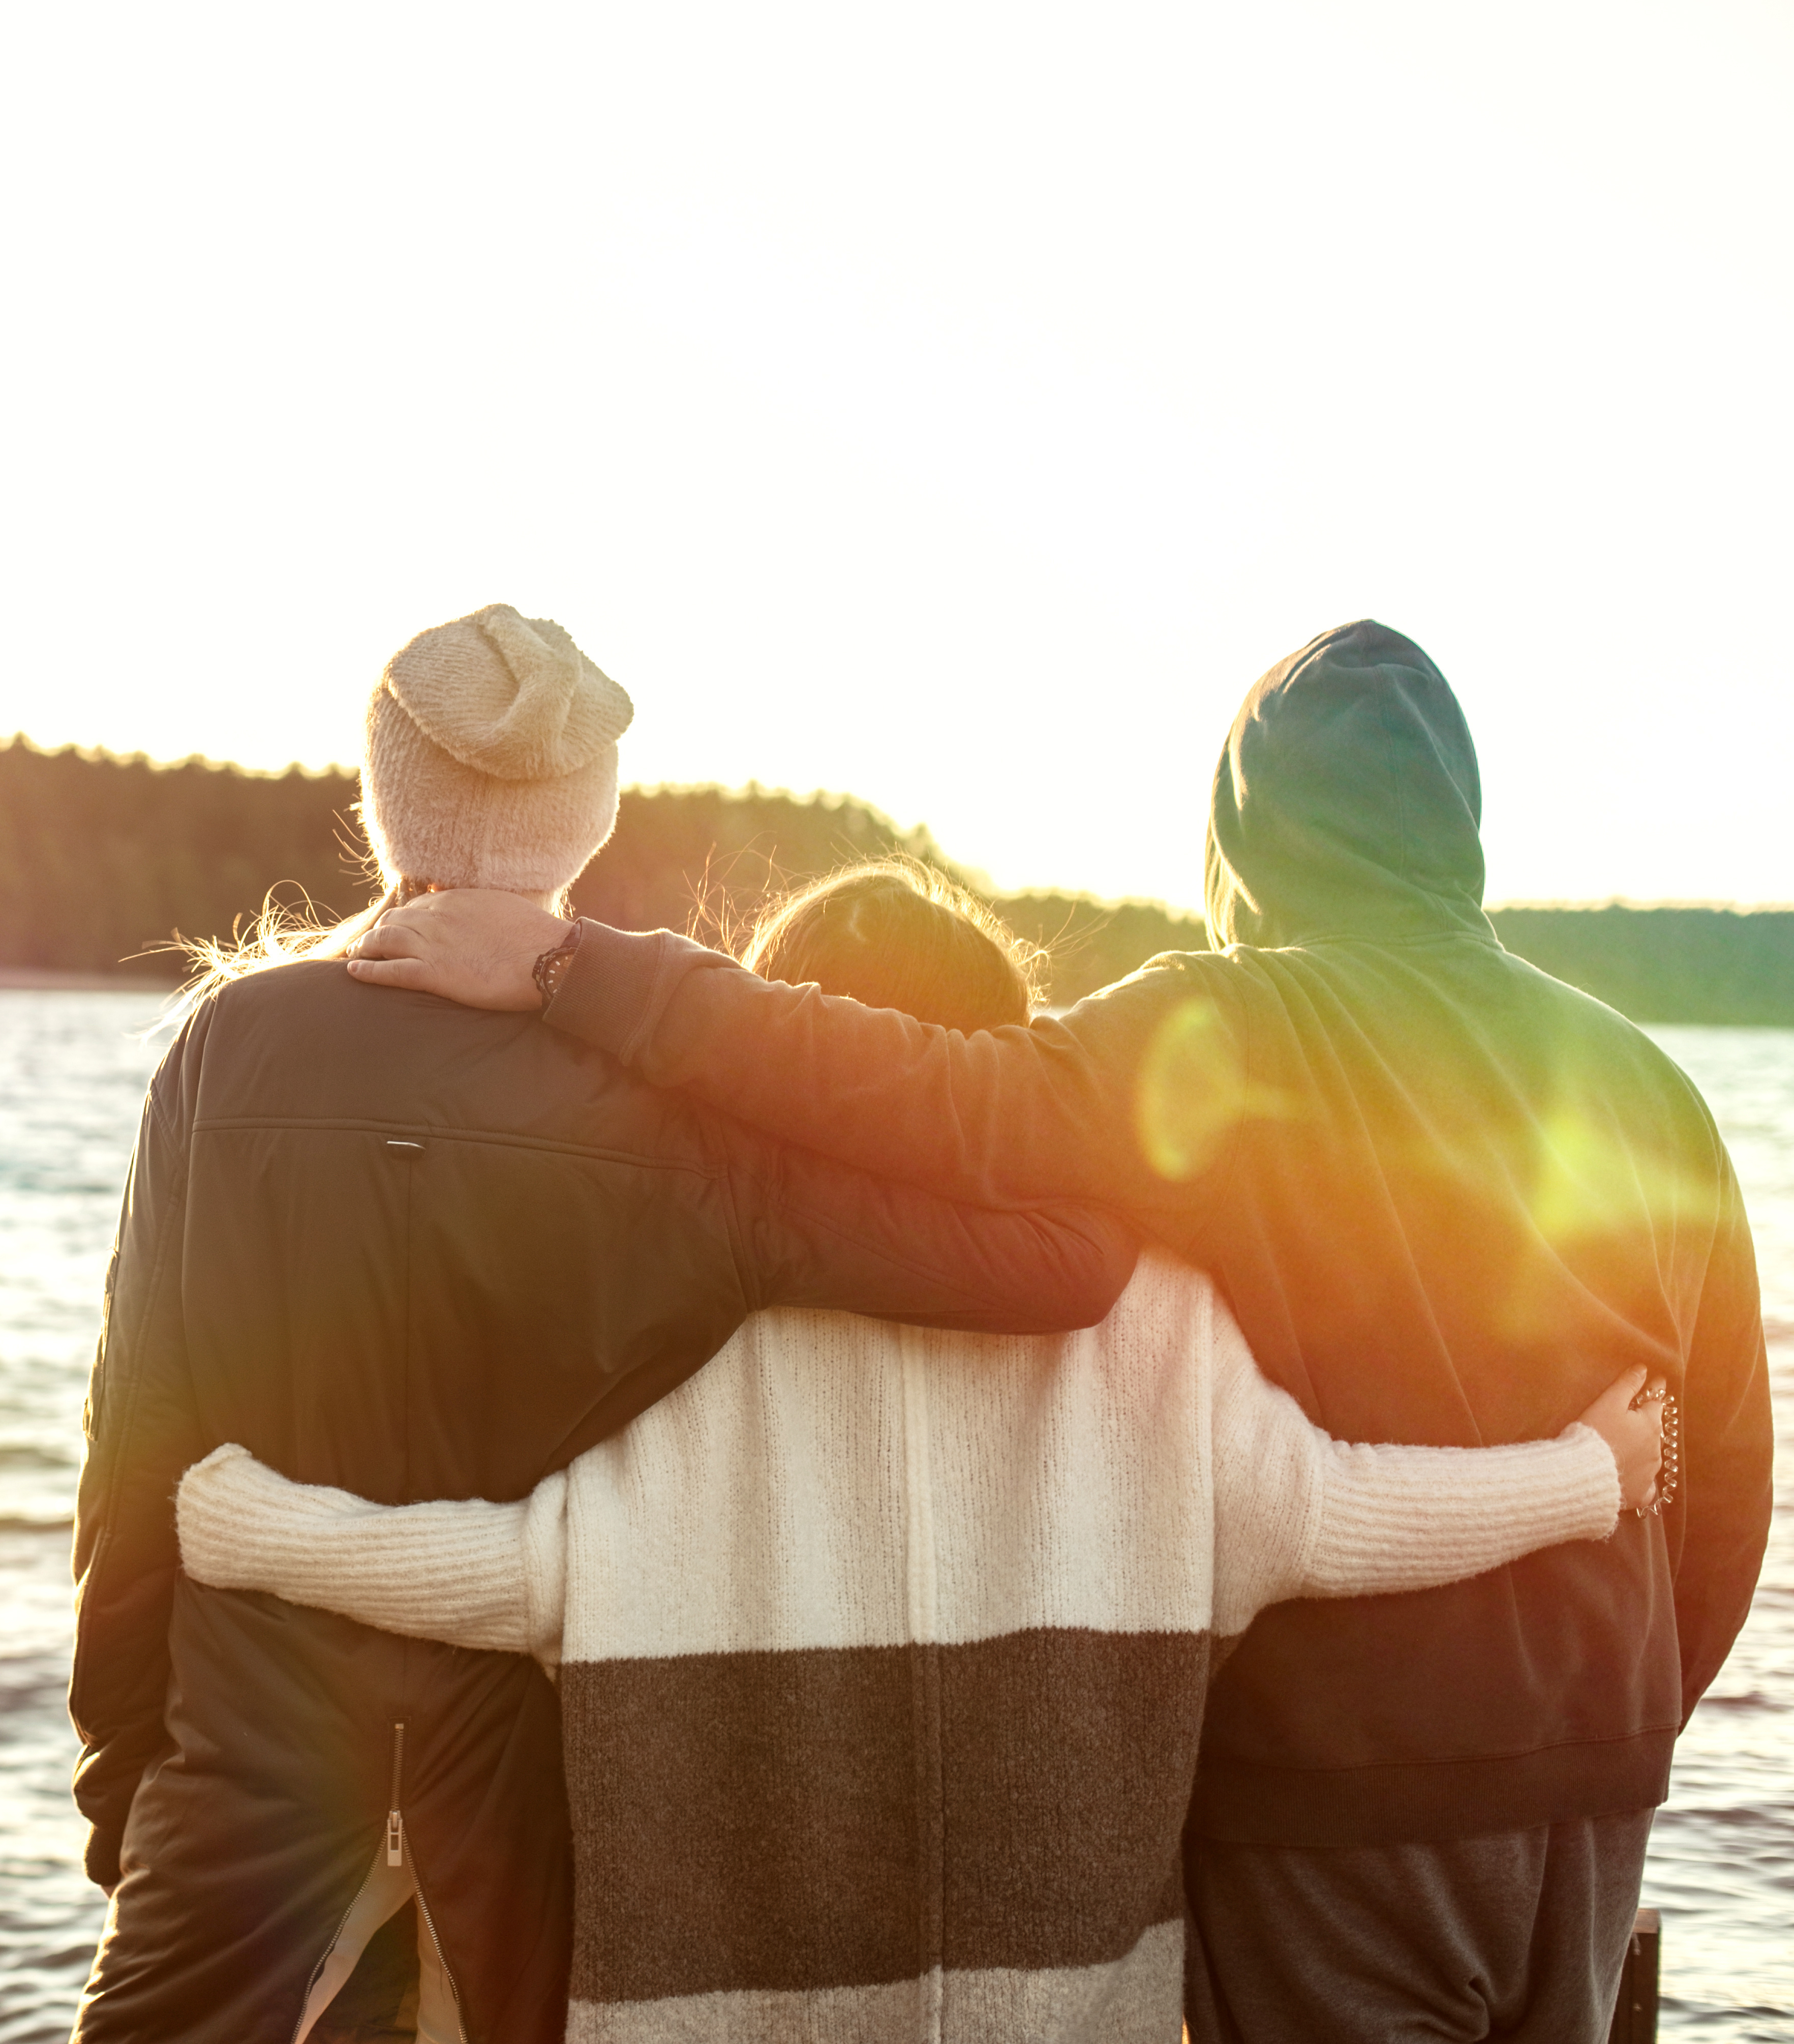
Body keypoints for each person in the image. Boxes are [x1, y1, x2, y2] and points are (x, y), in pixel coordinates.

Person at [344, 623, 1771, 2044]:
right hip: (1596, 1796)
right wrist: (1616, 1718)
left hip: (1339, 1795)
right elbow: (1722, 1494)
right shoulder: (1649, 1086)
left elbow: (922, 1096)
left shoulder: (1225, 1026)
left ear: (1239, 847)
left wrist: (573, 973)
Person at [70, 608, 1140, 2044]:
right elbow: (1065, 1261)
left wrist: (126, 1787)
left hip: (241, 1793)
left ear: (382, 792)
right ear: (594, 813)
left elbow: (134, 1461)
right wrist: (638, 992)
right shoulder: (689, 1116)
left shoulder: (225, 1049)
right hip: (518, 1819)